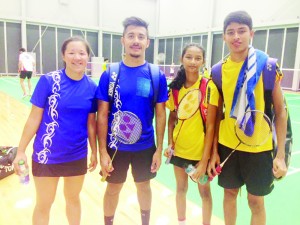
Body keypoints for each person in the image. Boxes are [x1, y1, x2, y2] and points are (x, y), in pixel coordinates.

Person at [208, 11, 287, 225]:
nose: (236, 37)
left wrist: (280, 155)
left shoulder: (267, 66)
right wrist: (214, 152)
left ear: (251, 33)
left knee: (256, 202)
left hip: (259, 149)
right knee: (229, 195)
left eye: (241, 31)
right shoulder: (217, 71)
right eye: (230, 32)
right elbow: (216, 118)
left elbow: (280, 111)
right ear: (223, 37)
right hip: (227, 146)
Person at [13, 36, 98, 225]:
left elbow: (91, 123)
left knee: (73, 199)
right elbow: (34, 118)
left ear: (88, 56)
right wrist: (20, 150)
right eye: (72, 53)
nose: (77, 57)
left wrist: (95, 151)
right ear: (64, 56)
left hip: (76, 154)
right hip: (46, 155)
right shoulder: (49, 81)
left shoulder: (92, 88)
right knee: (44, 204)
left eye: (82, 53)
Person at [96, 16, 168, 225]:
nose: (136, 40)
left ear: (147, 42)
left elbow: (161, 113)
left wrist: (158, 149)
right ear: (123, 40)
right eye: (131, 36)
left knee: (144, 186)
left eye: (141, 36)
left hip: (145, 146)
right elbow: (102, 114)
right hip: (115, 146)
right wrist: (102, 152)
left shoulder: (156, 75)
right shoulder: (110, 74)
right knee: (113, 188)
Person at [164, 43, 219, 225]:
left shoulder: (208, 86)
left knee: (204, 193)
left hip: (198, 155)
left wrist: (204, 161)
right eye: (189, 57)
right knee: (181, 189)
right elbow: (172, 118)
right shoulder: (176, 88)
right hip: (179, 152)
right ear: (182, 59)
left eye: (198, 58)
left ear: (203, 61)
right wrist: (170, 142)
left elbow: (211, 126)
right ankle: (181, 222)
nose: (193, 62)